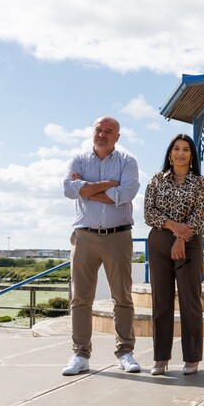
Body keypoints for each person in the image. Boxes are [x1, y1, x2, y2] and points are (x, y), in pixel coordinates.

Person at [61, 116, 141, 375]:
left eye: (109, 131)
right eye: (99, 129)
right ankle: (80, 355)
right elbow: (68, 189)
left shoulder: (127, 162)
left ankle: (125, 352)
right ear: (92, 131)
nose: (103, 134)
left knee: (123, 297)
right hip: (84, 237)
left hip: (118, 236)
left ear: (117, 137)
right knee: (80, 298)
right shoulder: (79, 160)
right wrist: (109, 186)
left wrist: (86, 188)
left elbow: (126, 194)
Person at [144, 134, 204, 375]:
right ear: (170, 153)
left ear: (192, 156)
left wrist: (181, 238)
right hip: (159, 242)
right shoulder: (156, 180)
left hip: (189, 243)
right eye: (176, 149)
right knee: (160, 301)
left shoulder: (201, 183)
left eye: (185, 149)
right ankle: (161, 357)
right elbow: (148, 213)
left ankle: (192, 357)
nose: (180, 153)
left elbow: (200, 216)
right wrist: (173, 228)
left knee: (190, 300)